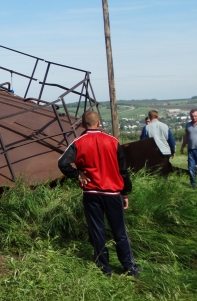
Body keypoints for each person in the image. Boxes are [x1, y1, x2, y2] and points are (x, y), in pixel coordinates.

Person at [58, 110, 140, 277]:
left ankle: (104, 269)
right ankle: (129, 267)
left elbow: (62, 163)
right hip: (112, 192)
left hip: (91, 193)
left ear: (82, 124)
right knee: (120, 231)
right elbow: (123, 171)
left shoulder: (78, 142)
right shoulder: (112, 141)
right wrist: (125, 194)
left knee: (97, 230)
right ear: (99, 123)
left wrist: (78, 174)